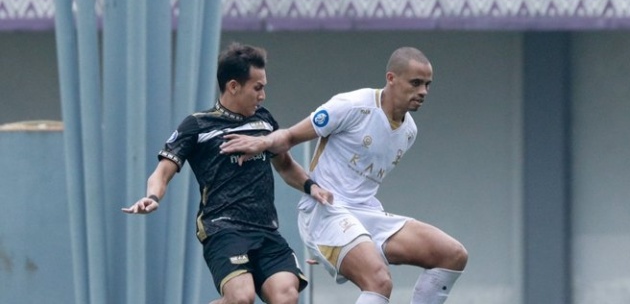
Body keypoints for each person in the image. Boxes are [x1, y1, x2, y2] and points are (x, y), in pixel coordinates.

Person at [220, 47, 468, 304]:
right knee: (379, 281)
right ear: (391, 79)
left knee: (452, 254)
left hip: (365, 214)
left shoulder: (409, 131)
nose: (423, 92)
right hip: (324, 211)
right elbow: (290, 136)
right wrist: (261, 143)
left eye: (427, 85)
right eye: (415, 83)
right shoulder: (351, 106)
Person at [122, 42, 333, 304]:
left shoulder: (265, 121)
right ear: (233, 86)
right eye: (257, 87)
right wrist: (152, 197)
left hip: (266, 229)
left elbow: (285, 165)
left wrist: (312, 186)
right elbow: (162, 172)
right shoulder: (198, 125)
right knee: (241, 298)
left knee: (286, 296)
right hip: (223, 227)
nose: (262, 95)